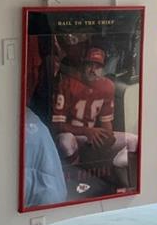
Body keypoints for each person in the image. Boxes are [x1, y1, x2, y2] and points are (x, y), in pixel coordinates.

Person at [51, 46, 138, 192]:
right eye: (89, 65)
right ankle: (76, 180)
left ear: (103, 69)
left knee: (134, 141)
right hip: (72, 135)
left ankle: (120, 174)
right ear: (83, 65)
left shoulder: (107, 86)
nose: (93, 70)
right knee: (65, 141)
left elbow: (106, 121)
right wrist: (87, 131)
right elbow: (57, 125)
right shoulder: (68, 83)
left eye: (97, 66)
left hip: (90, 136)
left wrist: (108, 137)